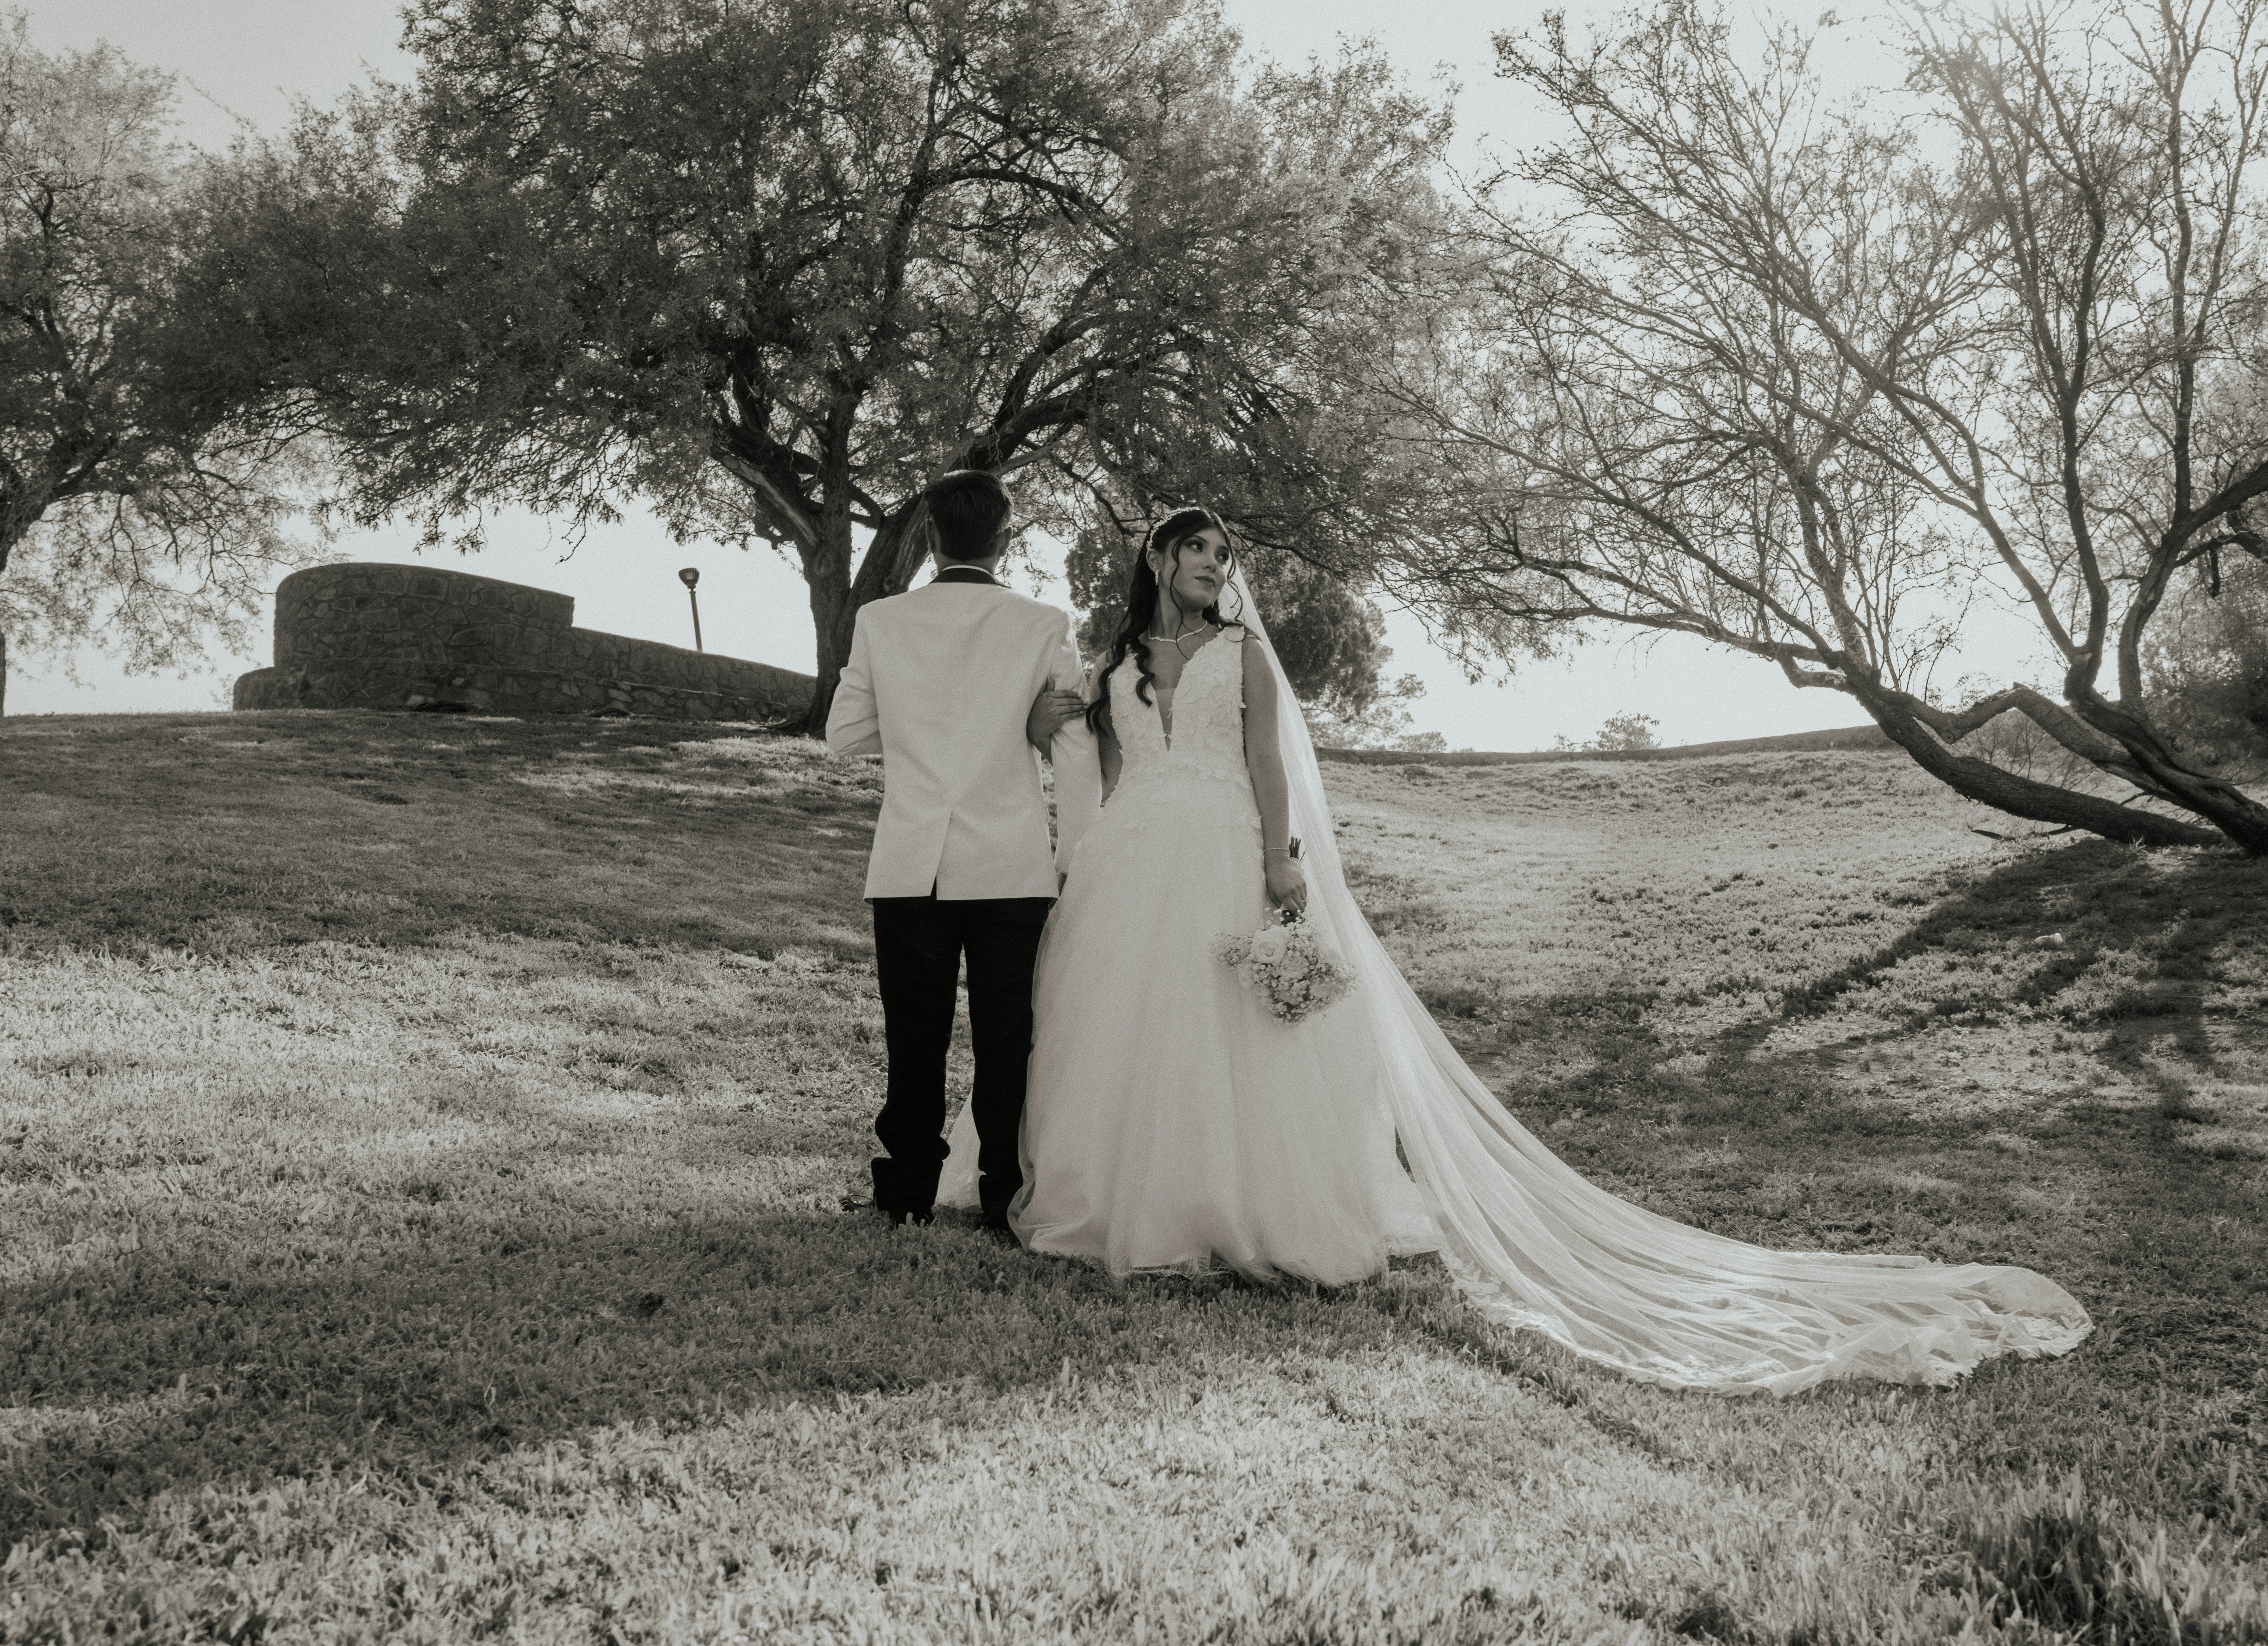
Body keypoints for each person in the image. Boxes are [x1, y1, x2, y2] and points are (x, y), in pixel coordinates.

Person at [937, 506, 2093, 1396]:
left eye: (1220, 552)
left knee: (1229, 1026)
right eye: (1192, 550)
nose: (1209, 563)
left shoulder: (1245, 655)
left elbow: (1268, 762)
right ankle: (1119, 1203)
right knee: (1124, 1027)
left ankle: (1234, 1211)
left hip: (1224, 846)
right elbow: (1093, 760)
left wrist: (1284, 861)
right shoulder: (1119, 662)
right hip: (1133, 862)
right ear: (1156, 562)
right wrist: (1049, 732)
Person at [826, 470, 1096, 1232]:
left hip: (911, 862)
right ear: (1005, 539)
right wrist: (1078, 854)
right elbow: (1073, 747)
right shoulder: (1045, 622)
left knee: (915, 1031)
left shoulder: (880, 620)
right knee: (1008, 1033)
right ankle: (1002, 1189)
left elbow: (843, 737)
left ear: (930, 539)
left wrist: (914, 731)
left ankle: (907, 1188)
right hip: (1012, 865)